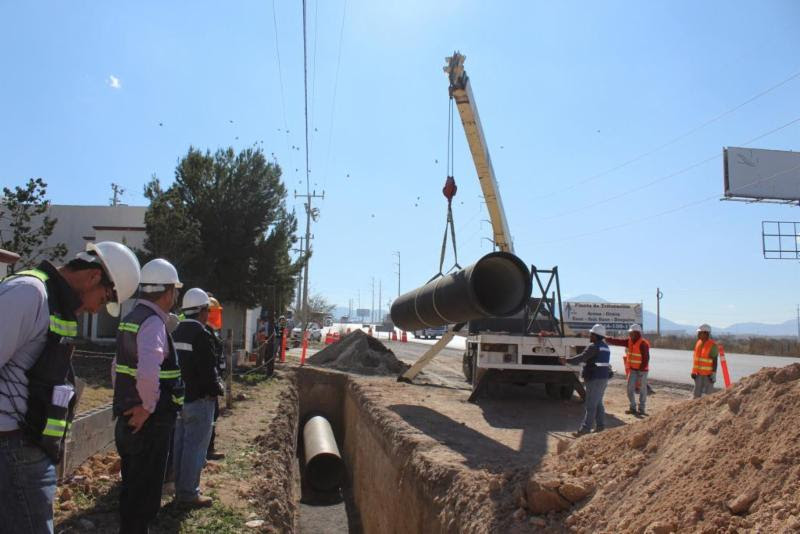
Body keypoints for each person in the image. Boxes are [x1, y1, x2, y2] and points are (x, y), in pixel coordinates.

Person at [0, 242, 140, 534]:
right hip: (12, 447)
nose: (94, 309)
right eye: (104, 299)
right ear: (92, 276)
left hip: (30, 448)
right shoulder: (29, 294)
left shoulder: (55, 304)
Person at [113, 258, 185, 534]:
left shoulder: (130, 318)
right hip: (150, 422)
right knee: (145, 491)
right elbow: (147, 370)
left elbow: (117, 367)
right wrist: (146, 406)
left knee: (132, 484)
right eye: (174, 291)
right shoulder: (153, 323)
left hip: (128, 415)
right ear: (167, 292)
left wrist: (127, 403)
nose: (175, 297)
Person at [171, 288, 222, 507]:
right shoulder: (202, 334)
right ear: (202, 311)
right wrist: (216, 389)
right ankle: (188, 493)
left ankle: (179, 487)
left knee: (181, 444)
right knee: (195, 446)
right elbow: (207, 370)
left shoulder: (175, 331)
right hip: (199, 400)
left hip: (180, 398)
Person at [560, 324, 613, 437]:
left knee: (590, 405)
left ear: (595, 335)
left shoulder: (593, 346)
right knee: (598, 403)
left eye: (591, 334)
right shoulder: (605, 347)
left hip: (594, 378)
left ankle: (585, 429)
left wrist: (567, 361)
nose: (590, 335)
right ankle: (600, 426)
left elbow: (582, 357)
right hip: (603, 378)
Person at [606, 324, 650, 416]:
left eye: (631, 333)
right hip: (633, 370)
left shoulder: (643, 344)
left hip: (642, 371)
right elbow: (618, 342)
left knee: (642, 389)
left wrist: (641, 371)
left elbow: (646, 358)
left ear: (637, 333)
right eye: (630, 333)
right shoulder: (629, 341)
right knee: (630, 388)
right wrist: (607, 339)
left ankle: (641, 409)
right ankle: (633, 408)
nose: (630, 334)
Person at [205, 296, 225, 461]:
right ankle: (207, 450)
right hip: (207, 384)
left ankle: (208, 448)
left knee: (213, 416)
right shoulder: (205, 333)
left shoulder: (211, 332)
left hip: (213, 380)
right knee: (209, 417)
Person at [691, 323, 718, 398]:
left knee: (707, 396)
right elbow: (696, 359)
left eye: (700, 333)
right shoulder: (698, 343)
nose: (698, 334)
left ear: (706, 334)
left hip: (708, 376)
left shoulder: (713, 346)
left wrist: (714, 374)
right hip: (698, 375)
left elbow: (715, 361)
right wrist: (693, 372)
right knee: (696, 395)